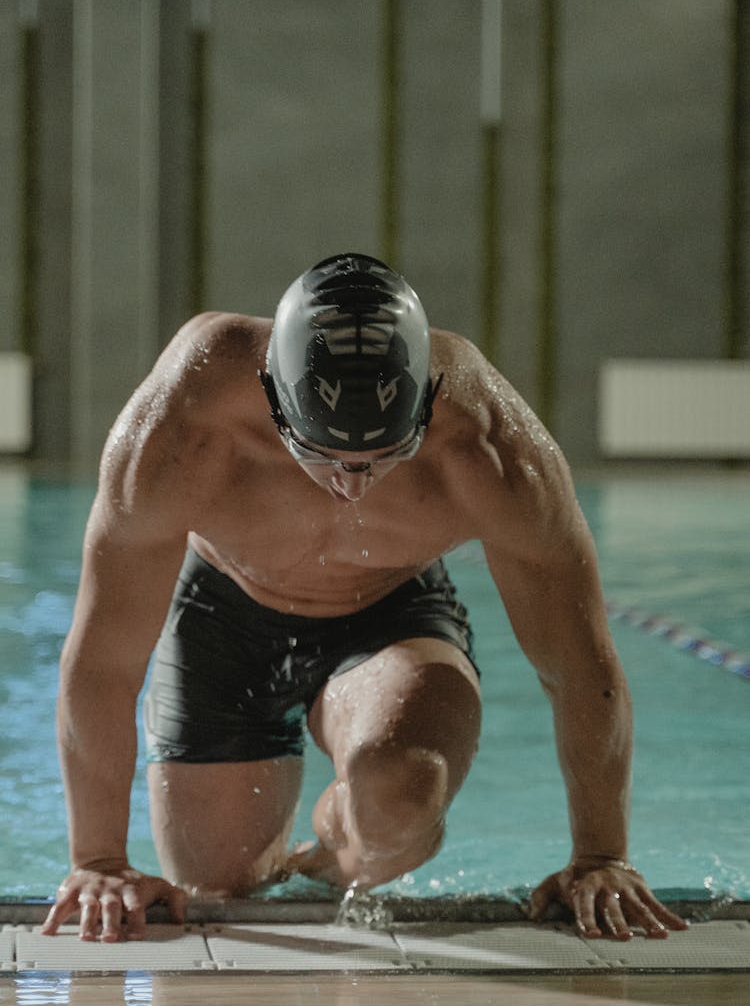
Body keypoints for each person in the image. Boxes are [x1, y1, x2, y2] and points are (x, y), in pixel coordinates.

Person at [41, 253, 688, 943]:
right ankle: (302, 849)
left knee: (401, 801)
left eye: (383, 458)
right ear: (272, 399)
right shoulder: (180, 428)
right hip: (222, 619)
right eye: (321, 457)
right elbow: (105, 660)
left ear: (429, 403)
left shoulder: (491, 448)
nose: (352, 484)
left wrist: (600, 855)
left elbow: (578, 663)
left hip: (391, 611)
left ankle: (333, 853)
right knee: (222, 890)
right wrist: (99, 860)